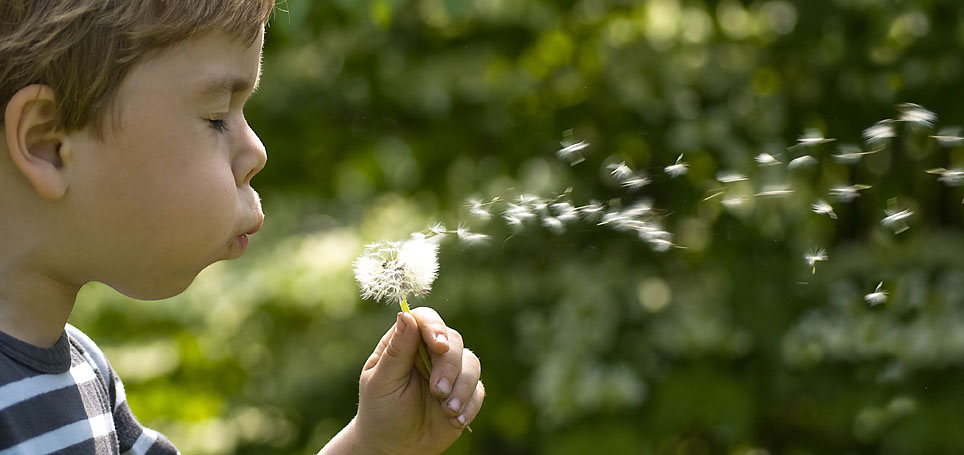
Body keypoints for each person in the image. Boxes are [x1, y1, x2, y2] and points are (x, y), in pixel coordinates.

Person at [0, 1, 484, 454]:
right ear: (49, 142)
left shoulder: (88, 377)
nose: (257, 152)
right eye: (215, 117)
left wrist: (374, 446)